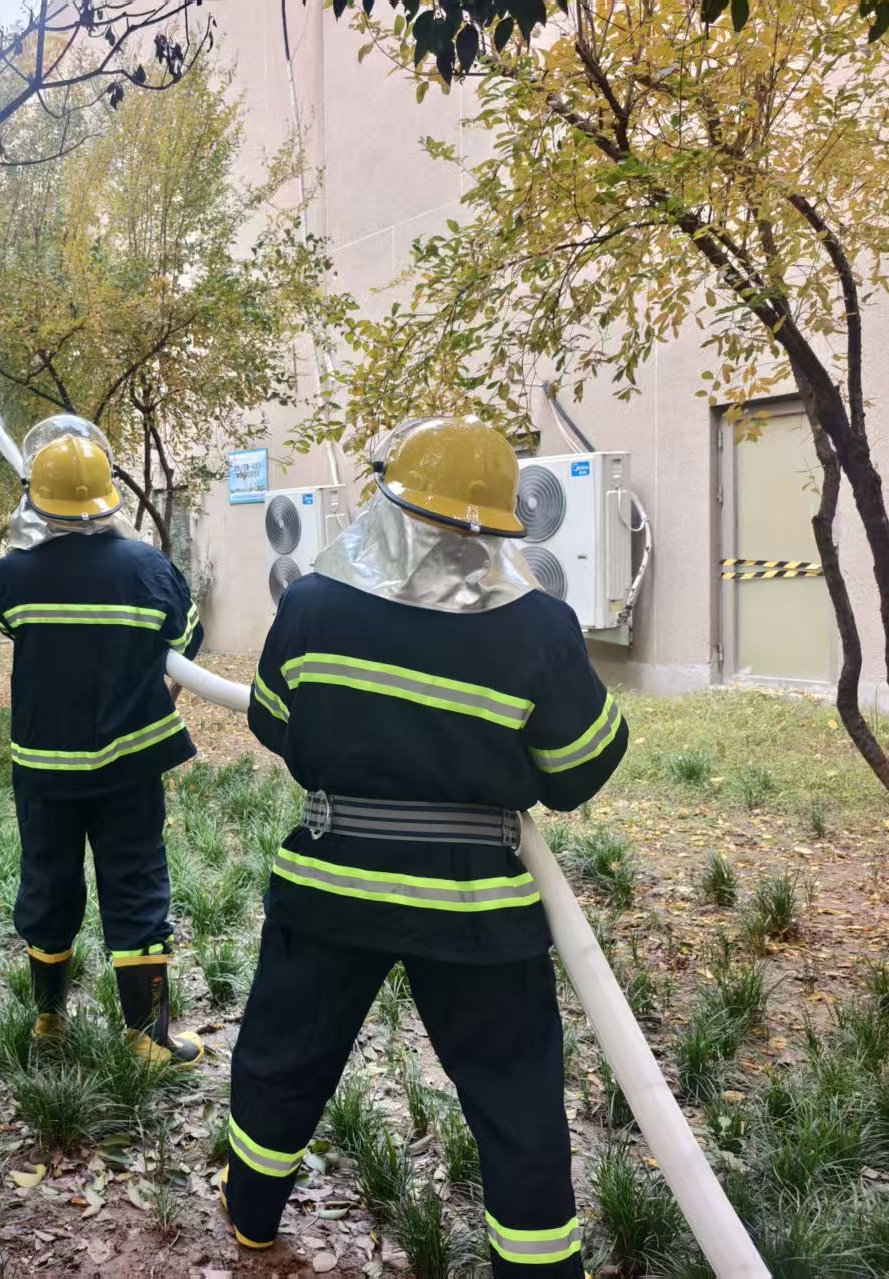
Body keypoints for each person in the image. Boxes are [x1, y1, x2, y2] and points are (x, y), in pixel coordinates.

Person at [221, 417, 627, 1274]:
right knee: (514, 1096)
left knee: (283, 1054)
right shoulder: (541, 626)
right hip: (473, 905)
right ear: (497, 526)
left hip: (328, 887)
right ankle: (539, 1265)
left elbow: (273, 723)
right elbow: (580, 770)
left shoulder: (310, 604)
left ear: (389, 503)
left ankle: (252, 1211)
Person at [0, 415, 206, 1066]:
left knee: (47, 883)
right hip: (130, 763)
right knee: (136, 881)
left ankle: (49, 1020)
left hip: (43, 766)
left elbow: (6, 624)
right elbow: (187, 639)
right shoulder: (150, 569)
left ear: (37, 498)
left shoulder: (15, 574)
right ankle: (147, 1036)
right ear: (108, 493)